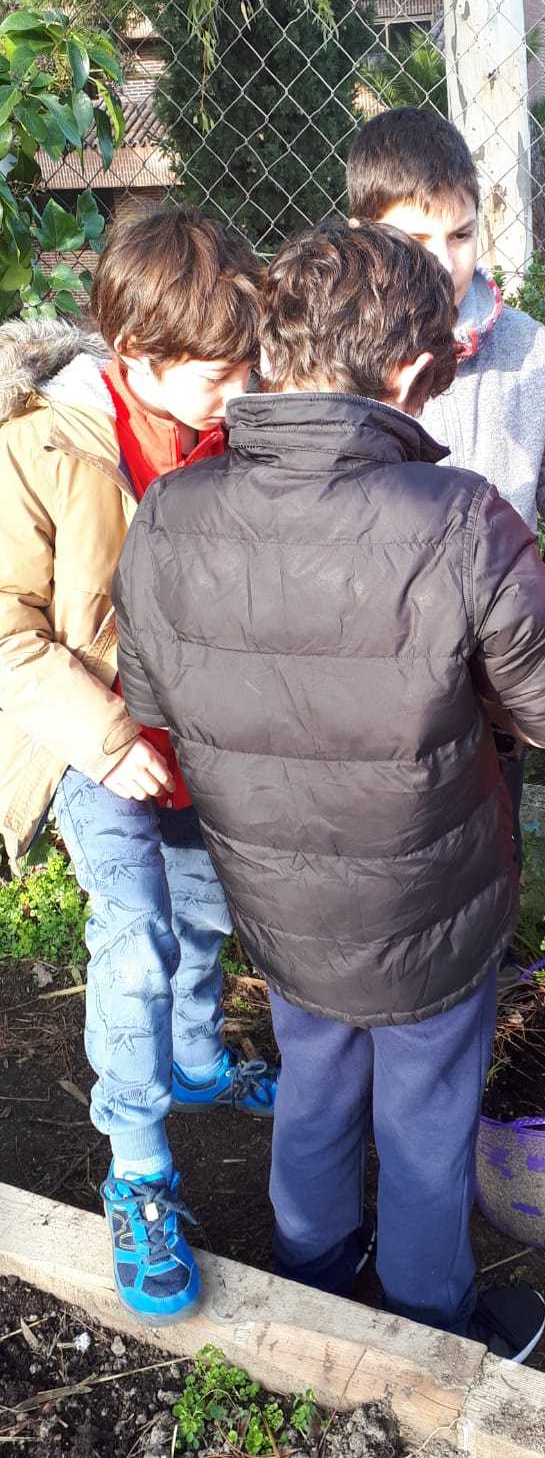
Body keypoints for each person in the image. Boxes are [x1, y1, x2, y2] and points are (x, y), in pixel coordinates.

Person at [112, 221, 545, 1358]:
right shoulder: (461, 519)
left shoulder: (173, 511)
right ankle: (427, 1313)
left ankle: (314, 1269)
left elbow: (152, 693)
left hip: (276, 892)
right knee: (426, 1111)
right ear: (407, 369)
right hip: (430, 902)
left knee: (315, 1077)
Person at [0, 208, 277, 1326]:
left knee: (206, 913)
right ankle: (139, 1169)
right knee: (134, 943)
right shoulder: (41, 449)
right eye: (218, 373)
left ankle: (198, 1058)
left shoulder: (237, 432)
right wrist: (110, 743)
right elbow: (8, 632)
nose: (241, 389)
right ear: (135, 356)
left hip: (203, 739)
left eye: (250, 364)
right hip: (94, 743)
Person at [346, 108, 545, 865]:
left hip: (495, 634)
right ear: (363, 234)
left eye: (461, 236)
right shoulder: (341, 354)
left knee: (495, 818)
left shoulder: (526, 347)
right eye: (415, 240)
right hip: (384, 637)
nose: (443, 263)